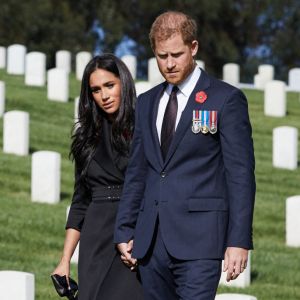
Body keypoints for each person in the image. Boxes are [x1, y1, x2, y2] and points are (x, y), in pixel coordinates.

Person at [114, 11, 256, 300]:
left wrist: (238, 240)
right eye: (161, 56)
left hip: (201, 241)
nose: (169, 64)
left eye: (176, 54)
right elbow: (138, 171)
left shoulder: (225, 99)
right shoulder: (147, 102)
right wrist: (124, 230)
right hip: (151, 241)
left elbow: (240, 175)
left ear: (194, 48)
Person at [52, 54, 143, 300]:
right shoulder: (86, 139)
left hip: (134, 230)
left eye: (109, 86)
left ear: (123, 82)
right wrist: (64, 260)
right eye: (95, 89)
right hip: (96, 235)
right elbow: (80, 202)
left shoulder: (145, 129)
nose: (104, 96)